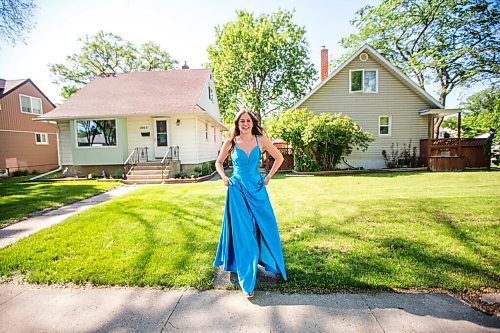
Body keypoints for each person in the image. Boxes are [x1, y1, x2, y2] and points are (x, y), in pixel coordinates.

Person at [213, 109, 287, 298]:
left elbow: (279, 158)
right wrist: (223, 177)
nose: (245, 124)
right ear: (237, 124)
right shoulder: (231, 141)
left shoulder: (260, 139)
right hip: (237, 190)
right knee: (245, 234)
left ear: (253, 123)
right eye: (241, 121)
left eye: (248, 121)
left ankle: (271, 262)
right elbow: (219, 162)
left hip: (257, 188)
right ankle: (248, 281)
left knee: (267, 226)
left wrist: (268, 177)